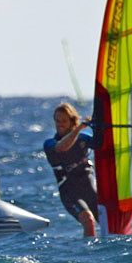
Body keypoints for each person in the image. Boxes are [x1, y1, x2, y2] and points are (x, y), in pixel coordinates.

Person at [44, 102, 98, 238]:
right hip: (70, 193)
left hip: (89, 188)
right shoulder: (50, 143)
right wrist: (79, 128)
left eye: (64, 121)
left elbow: (104, 145)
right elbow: (62, 147)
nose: (60, 124)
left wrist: (100, 126)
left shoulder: (84, 139)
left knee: (110, 221)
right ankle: (90, 253)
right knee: (88, 220)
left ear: (72, 121)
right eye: (57, 121)